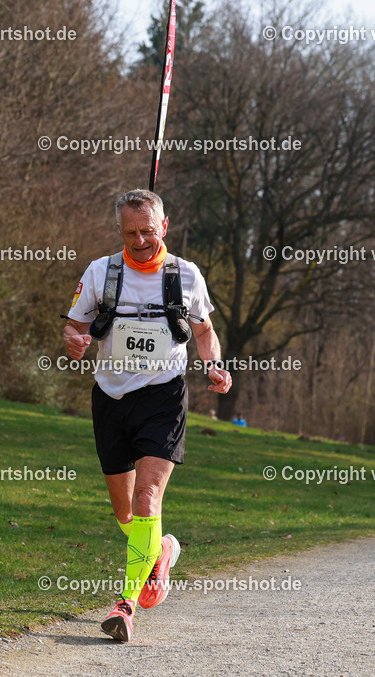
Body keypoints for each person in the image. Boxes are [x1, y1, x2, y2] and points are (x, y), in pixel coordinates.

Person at [63, 189, 231, 643]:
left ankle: (124, 604)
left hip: (163, 396)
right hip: (111, 397)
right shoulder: (101, 272)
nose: (139, 239)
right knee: (125, 509)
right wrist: (74, 340)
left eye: (148, 230)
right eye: (130, 232)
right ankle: (161, 551)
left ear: (165, 226)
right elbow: (75, 325)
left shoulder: (187, 276)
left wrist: (213, 363)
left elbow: (205, 330)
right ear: (120, 231)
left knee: (146, 500)